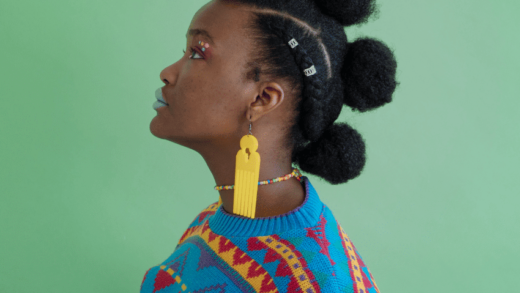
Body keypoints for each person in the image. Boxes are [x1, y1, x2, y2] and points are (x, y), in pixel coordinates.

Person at [144, 0, 398, 291]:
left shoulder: (320, 283)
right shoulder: (220, 216)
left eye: (198, 52)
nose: (168, 72)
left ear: (262, 99)